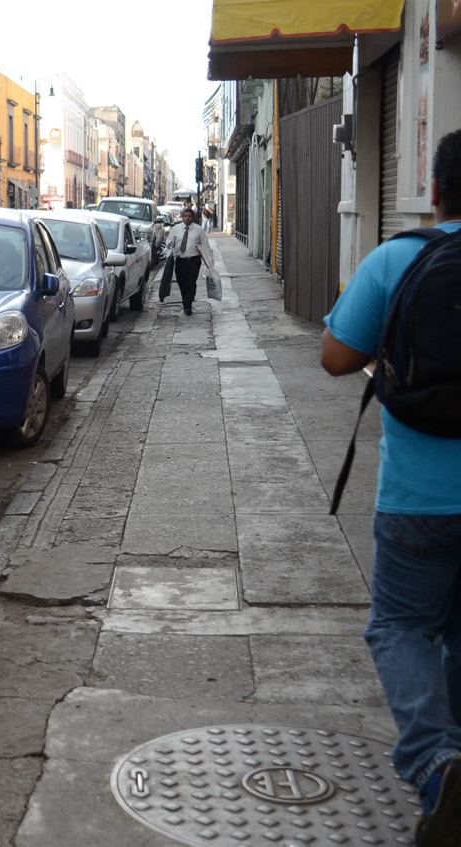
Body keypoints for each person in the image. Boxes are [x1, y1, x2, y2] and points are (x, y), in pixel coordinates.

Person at [321, 129, 461, 846]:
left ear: (433, 191)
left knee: (401, 626)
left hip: (419, 496)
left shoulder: (399, 260)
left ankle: (439, 764)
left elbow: (335, 357)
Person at [163, 208, 212, 315]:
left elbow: (205, 245)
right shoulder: (175, 229)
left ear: (193, 218)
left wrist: (209, 262)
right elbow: (168, 241)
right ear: (182, 217)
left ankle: (187, 305)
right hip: (180, 260)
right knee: (182, 282)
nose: (187, 218)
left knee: (191, 282)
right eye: (185, 216)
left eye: (189, 216)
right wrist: (169, 243)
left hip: (194, 260)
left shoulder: (199, 230)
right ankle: (186, 299)